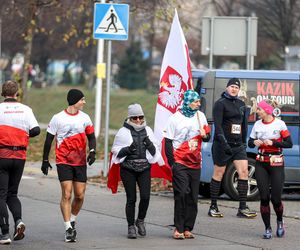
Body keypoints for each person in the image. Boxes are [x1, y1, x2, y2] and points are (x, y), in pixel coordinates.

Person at [41, 89, 96, 243]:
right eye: (82, 99)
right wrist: (45, 160)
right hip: (63, 160)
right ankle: (68, 229)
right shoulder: (58, 118)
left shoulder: (85, 118)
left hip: (80, 161)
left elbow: (91, 137)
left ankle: (72, 220)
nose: (84, 102)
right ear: (75, 100)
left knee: (80, 195)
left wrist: (92, 151)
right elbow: (48, 140)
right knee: (67, 193)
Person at [110, 103, 162, 239]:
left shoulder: (148, 130)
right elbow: (116, 152)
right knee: (131, 198)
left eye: (140, 117)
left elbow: (156, 151)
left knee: (145, 197)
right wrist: (128, 149)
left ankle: (140, 220)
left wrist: (149, 144)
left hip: (144, 168)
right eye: (135, 118)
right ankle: (130, 226)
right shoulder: (122, 132)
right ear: (129, 118)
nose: (138, 120)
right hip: (128, 169)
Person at [164, 90, 210, 239]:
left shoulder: (200, 116)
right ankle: (178, 228)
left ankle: (188, 228)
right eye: (196, 102)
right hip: (180, 161)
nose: (199, 104)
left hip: (195, 162)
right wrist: (173, 163)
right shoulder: (175, 118)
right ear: (188, 102)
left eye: (199, 102)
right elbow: (168, 142)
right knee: (182, 193)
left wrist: (205, 135)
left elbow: (207, 136)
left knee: (192, 197)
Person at [208, 78, 257, 218]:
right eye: (232, 86)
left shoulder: (242, 104)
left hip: (238, 146)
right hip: (222, 144)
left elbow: (244, 126)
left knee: (244, 172)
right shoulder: (220, 104)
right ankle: (213, 206)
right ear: (227, 88)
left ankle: (242, 208)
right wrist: (224, 143)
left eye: (236, 87)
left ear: (239, 89)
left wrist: (244, 142)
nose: (234, 89)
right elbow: (217, 126)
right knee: (219, 173)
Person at [0, 80, 40, 244]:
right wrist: (22, 135)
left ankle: (4, 234)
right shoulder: (26, 110)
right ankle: (19, 221)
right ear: (17, 93)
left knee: (1, 195)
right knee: (13, 193)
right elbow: (36, 129)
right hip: (19, 157)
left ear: (3, 93)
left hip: (2, 155)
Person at [248, 99, 292, 239]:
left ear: (266, 110)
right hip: (261, 162)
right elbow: (249, 142)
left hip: (276, 163)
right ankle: (267, 228)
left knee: (276, 198)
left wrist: (273, 142)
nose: (257, 111)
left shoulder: (280, 124)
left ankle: (280, 221)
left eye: (259, 109)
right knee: (264, 197)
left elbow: (289, 143)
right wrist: (254, 142)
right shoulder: (257, 124)